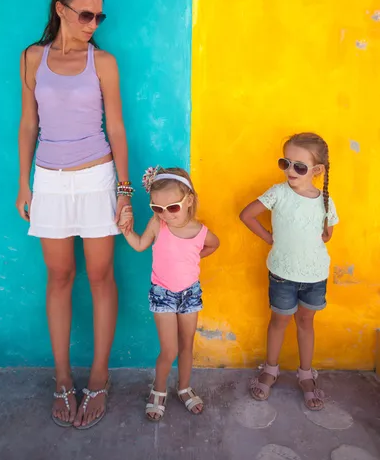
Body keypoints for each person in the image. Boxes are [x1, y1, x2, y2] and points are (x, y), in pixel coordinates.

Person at [16, 0, 133, 429]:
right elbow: (29, 123)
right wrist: (24, 184)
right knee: (60, 275)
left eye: (99, 15)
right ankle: (63, 378)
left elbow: (117, 127)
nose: (94, 23)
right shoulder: (32, 58)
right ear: (61, 10)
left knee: (101, 276)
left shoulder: (103, 62)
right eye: (86, 14)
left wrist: (124, 190)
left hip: (96, 179)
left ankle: (99, 378)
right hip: (48, 181)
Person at [240, 133, 339, 411]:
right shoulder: (278, 192)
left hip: (315, 276)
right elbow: (247, 215)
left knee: (306, 324)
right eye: (285, 163)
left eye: (299, 166)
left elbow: (327, 234)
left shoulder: (325, 200)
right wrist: (270, 238)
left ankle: (306, 375)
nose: (290, 171)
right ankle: (270, 369)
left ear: (317, 171)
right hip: (282, 274)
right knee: (279, 322)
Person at [119, 166, 219, 421]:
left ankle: (184, 387)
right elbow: (141, 245)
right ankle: (159, 389)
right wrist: (127, 232)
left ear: (189, 201)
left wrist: (194, 258)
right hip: (163, 294)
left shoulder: (200, 231)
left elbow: (213, 245)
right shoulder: (158, 225)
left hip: (190, 294)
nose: (165, 214)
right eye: (157, 208)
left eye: (172, 207)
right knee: (169, 349)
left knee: (187, 345)